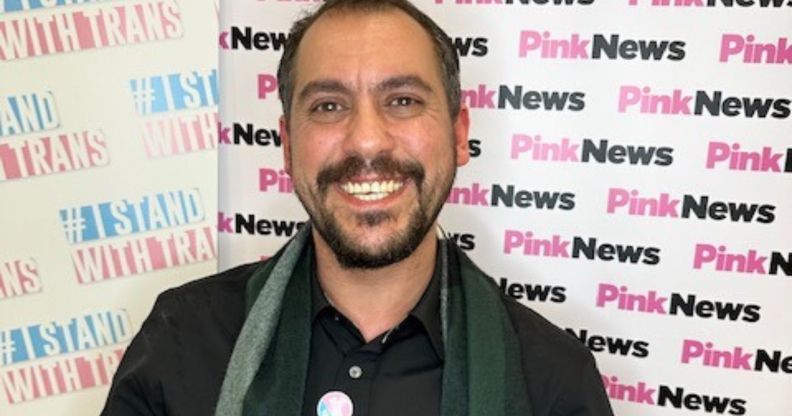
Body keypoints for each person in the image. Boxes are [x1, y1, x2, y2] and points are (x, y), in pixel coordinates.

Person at [101, 1, 614, 415]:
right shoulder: (183, 338)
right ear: (286, 145)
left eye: (403, 100)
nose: (366, 140)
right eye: (328, 106)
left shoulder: (552, 382)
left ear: (459, 135)